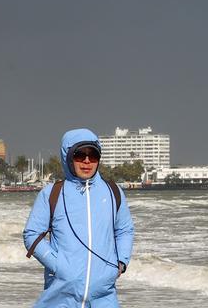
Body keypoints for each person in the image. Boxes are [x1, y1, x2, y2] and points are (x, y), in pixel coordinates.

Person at [23, 128, 134, 307]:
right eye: (80, 154)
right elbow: (31, 235)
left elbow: (125, 230)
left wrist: (120, 263)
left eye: (93, 155)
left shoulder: (114, 192)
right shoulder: (52, 193)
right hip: (61, 295)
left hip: (104, 296)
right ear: (68, 156)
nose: (87, 161)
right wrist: (60, 267)